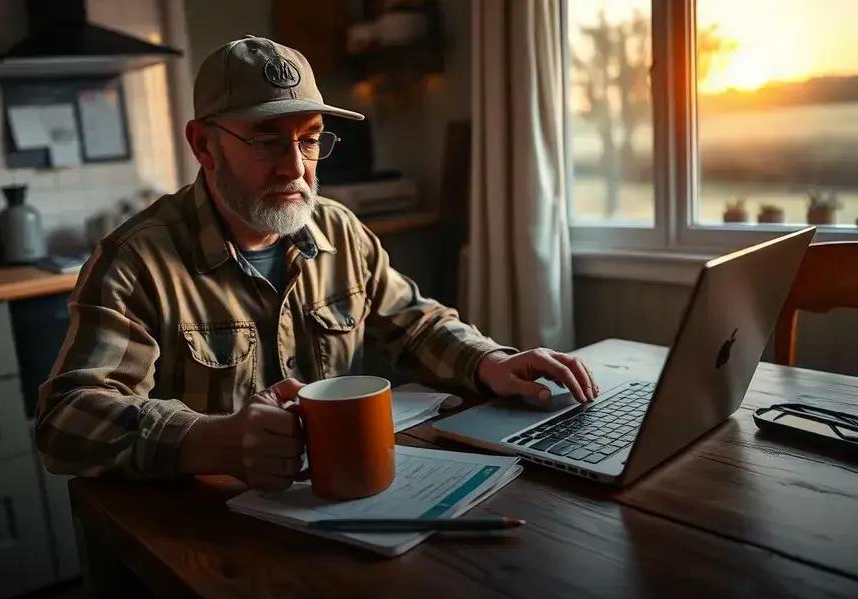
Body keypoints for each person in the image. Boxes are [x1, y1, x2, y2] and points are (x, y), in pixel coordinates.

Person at [35, 36, 598, 491]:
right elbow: (65, 421)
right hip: (210, 533)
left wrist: (491, 363)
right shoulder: (135, 262)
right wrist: (209, 440)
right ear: (204, 146)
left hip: (344, 505)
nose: (296, 169)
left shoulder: (337, 228)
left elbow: (414, 323)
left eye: (308, 141)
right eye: (265, 141)